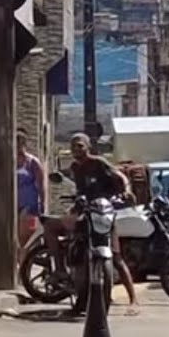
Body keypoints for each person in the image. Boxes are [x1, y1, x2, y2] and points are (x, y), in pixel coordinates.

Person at [42, 132, 138, 313]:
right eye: (74, 146)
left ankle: (133, 300)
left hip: (104, 213)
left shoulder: (99, 163)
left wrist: (127, 190)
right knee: (59, 233)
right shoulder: (75, 168)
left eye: (80, 145)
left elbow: (120, 177)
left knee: (116, 256)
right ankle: (61, 270)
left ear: (88, 147)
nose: (77, 149)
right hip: (85, 213)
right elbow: (79, 190)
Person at [15, 128, 48, 264]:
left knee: (25, 238)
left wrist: (43, 204)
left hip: (28, 204)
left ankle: (22, 267)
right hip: (12, 204)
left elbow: (41, 184)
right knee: (13, 239)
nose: (17, 147)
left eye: (20, 143)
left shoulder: (32, 162)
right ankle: (17, 265)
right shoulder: (9, 161)